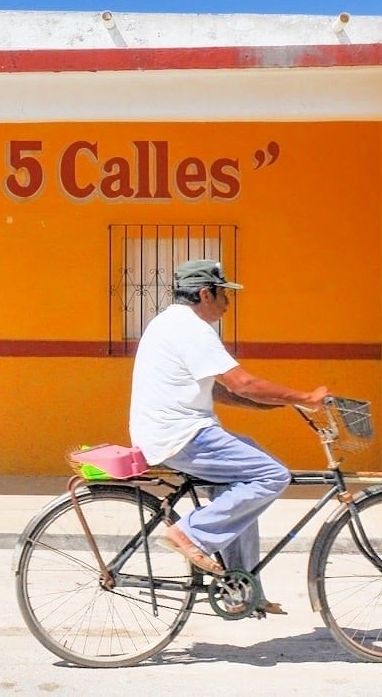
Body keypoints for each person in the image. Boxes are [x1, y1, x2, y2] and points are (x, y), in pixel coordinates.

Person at [128, 258, 328, 616]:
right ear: (206, 293)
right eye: (224, 295)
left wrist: (271, 404)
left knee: (242, 488)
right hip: (183, 434)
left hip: (170, 431)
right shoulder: (192, 329)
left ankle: (240, 588)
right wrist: (304, 397)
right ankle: (189, 532)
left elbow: (219, 391)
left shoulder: (167, 324)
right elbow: (243, 383)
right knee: (272, 474)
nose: (227, 304)